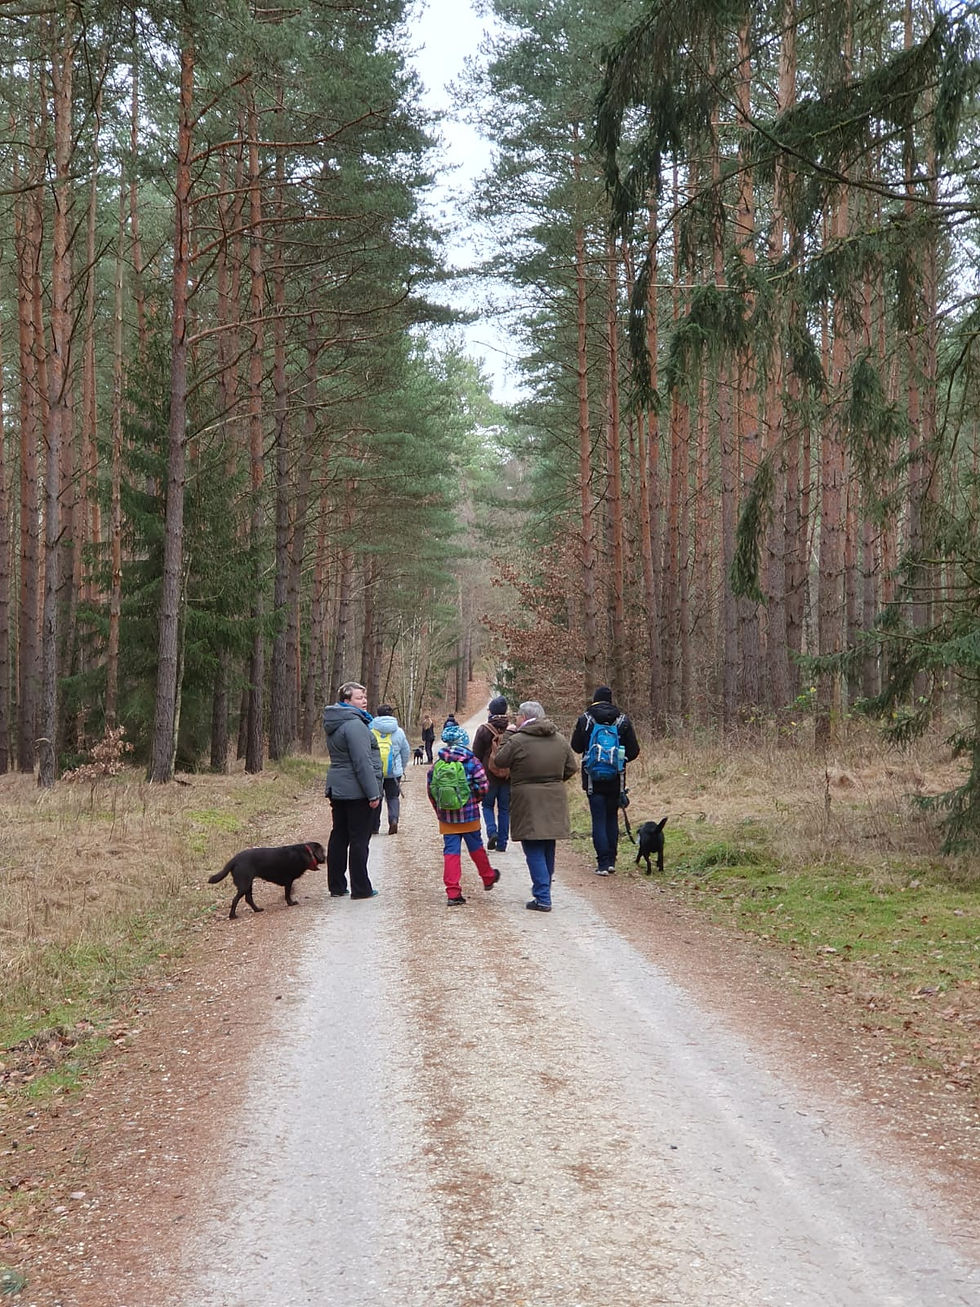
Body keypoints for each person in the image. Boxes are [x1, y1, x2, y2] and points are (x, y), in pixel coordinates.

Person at [493, 700, 577, 912]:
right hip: (554, 798)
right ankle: (544, 890)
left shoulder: (518, 739)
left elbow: (500, 761)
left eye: (517, 717)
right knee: (548, 845)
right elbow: (571, 767)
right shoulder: (559, 738)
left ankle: (542, 896)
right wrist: (554, 782)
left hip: (527, 799)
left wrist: (509, 736)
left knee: (533, 847)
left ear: (523, 717)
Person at [570, 685, 640, 876]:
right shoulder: (622, 720)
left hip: (592, 778)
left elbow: (575, 746)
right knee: (611, 818)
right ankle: (611, 861)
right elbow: (634, 751)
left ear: (595, 699)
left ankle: (602, 864)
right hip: (616, 778)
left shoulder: (586, 719)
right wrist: (620, 759)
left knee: (598, 819)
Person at [427, 721, 500, 905]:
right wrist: (474, 801)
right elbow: (483, 785)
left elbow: (431, 790)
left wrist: (439, 811)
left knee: (451, 852)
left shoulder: (438, 764)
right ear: (464, 741)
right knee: (476, 847)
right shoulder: (472, 762)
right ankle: (488, 876)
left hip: (447, 816)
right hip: (469, 814)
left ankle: (453, 892)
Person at [322, 681, 382, 900]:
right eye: (359, 698)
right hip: (356, 789)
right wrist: (373, 792)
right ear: (347, 701)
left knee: (339, 834)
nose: (364, 701)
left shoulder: (335, 722)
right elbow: (362, 761)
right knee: (358, 839)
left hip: (338, 787)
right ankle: (361, 888)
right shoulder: (354, 724)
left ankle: (336, 885)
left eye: (365, 697)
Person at [472, 695, 513, 852]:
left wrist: (476, 775)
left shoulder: (484, 729)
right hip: (507, 777)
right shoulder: (512, 730)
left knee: (487, 806)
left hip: (488, 776)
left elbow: (476, 754)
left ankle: (491, 832)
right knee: (504, 809)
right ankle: (502, 843)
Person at [370, 704, 411, 835]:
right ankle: (393, 820)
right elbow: (406, 752)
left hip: (375, 771)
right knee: (393, 797)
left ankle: (374, 826)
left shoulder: (371, 730)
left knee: (376, 797)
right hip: (394, 772)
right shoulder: (398, 731)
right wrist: (401, 767)